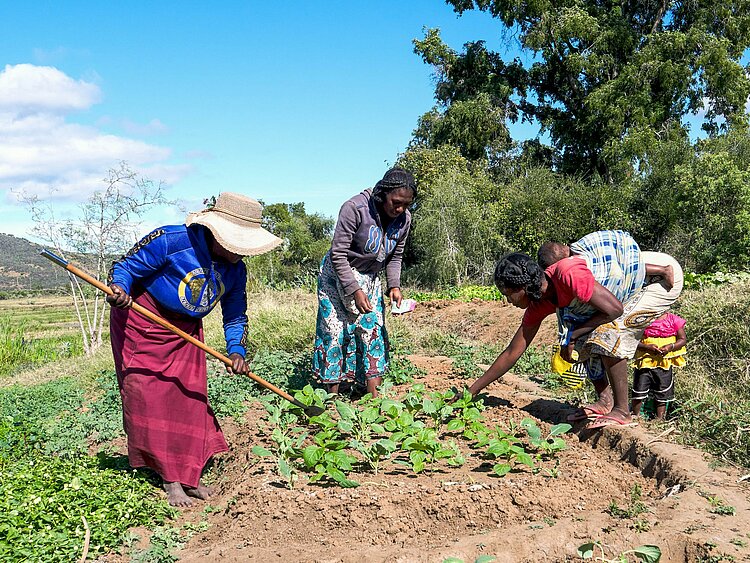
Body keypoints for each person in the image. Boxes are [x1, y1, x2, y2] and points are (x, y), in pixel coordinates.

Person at [107, 192, 282, 506]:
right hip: (141, 321)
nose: (242, 253)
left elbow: (235, 312)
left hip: (185, 330)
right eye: (237, 244)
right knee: (150, 396)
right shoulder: (172, 240)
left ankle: (189, 474)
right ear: (218, 234)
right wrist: (118, 288)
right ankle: (170, 479)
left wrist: (236, 350)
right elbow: (126, 267)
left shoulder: (235, 270)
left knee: (188, 395)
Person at [466, 248, 683, 429]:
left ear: (520, 287)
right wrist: (471, 391)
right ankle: (605, 401)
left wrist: (575, 333)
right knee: (580, 337)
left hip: (656, 280)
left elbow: (614, 310)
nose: (508, 301)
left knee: (608, 330)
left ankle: (622, 411)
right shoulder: (539, 302)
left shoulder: (566, 274)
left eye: (507, 295)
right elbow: (513, 351)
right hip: (628, 285)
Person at [312, 167, 416, 399]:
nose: (400, 209)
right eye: (396, 202)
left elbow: (395, 256)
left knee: (372, 331)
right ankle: (331, 397)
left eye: (406, 205)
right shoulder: (355, 208)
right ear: (383, 195)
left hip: (369, 278)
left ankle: (374, 400)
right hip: (337, 275)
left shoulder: (404, 220)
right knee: (335, 332)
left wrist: (394, 286)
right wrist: (354, 290)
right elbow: (338, 254)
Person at [631, 312, 687, 420]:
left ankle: (660, 419)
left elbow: (682, 339)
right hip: (645, 361)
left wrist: (670, 347)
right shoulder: (642, 319)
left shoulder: (674, 320)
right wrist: (646, 347)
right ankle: (635, 415)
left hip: (664, 363)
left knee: (662, 391)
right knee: (639, 389)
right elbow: (632, 339)